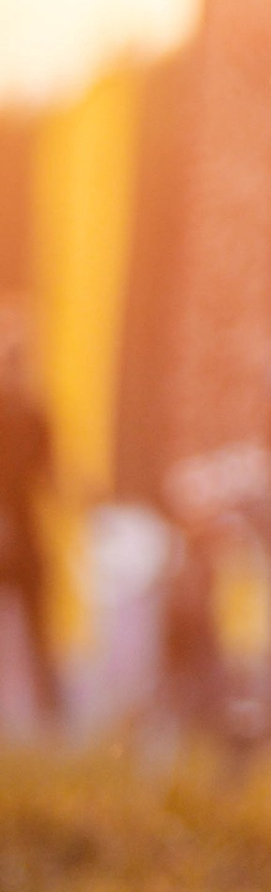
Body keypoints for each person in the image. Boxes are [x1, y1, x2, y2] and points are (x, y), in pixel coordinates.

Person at [0, 308, 58, 729]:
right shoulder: (27, 412)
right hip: (16, 528)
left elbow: (49, 476)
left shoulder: (37, 414)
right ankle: (50, 715)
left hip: (26, 530)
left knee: (41, 626)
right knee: (38, 626)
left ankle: (51, 716)